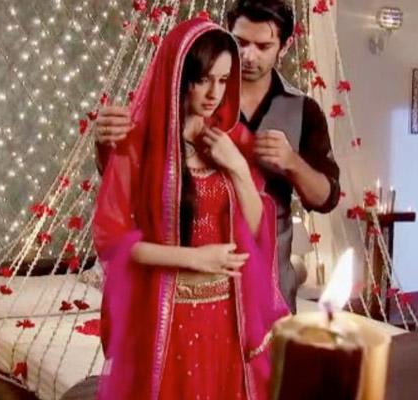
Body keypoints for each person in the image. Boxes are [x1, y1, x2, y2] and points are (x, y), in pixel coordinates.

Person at [96, 0, 341, 313]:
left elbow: (326, 199)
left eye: (263, 46)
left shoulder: (303, 110)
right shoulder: (197, 103)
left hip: (269, 280)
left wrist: (291, 162)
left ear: (285, 46)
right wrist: (106, 144)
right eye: (241, 42)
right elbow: (127, 189)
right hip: (185, 285)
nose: (248, 56)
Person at [92, 17, 288, 400]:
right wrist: (195, 258)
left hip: (228, 315)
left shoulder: (231, 138)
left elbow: (256, 226)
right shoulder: (137, 144)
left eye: (224, 79)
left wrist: (237, 166)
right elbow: (113, 240)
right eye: (203, 79)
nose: (215, 93)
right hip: (168, 315)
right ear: (178, 76)